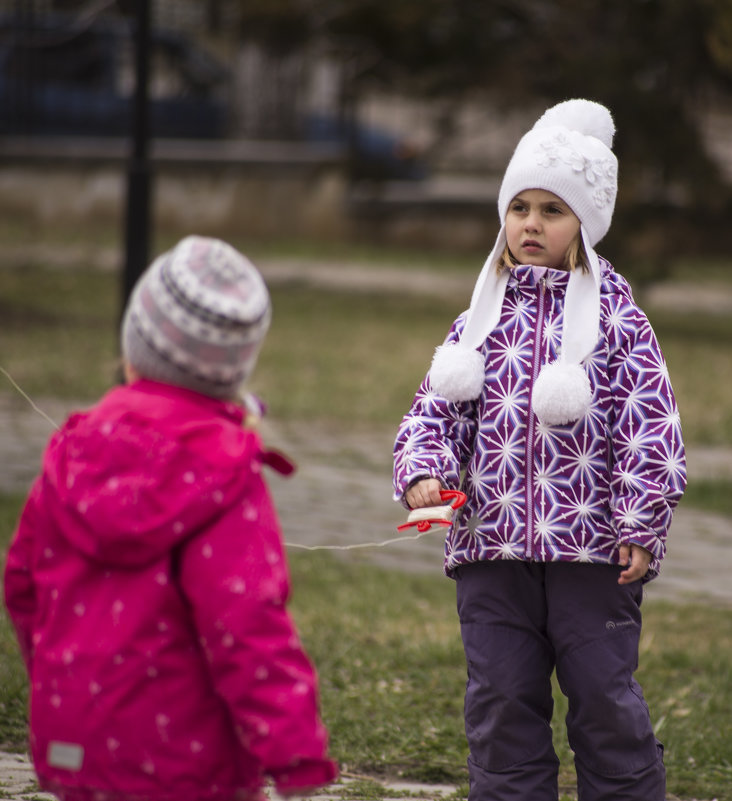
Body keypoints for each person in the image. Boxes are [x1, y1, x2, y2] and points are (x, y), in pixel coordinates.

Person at [392, 99, 686, 801]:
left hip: (592, 555)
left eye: (552, 209)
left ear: (585, 221)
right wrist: (424, 471)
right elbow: (433, 409)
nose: (530, 223)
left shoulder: (619, 322)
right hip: (490, 551)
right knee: (501, 701)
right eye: (519, 206)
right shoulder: (478, 320)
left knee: (603, 699)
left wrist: (641, 523)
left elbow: (653, 428)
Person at [4, 236, 338, 801]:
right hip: (189, 765)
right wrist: (296, 758)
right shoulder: (227, 474)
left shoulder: (74, 449)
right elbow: (248, 627)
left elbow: (21, 584)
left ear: (134, 347)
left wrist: (60, 682)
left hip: (73, 745)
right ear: (233, 373)